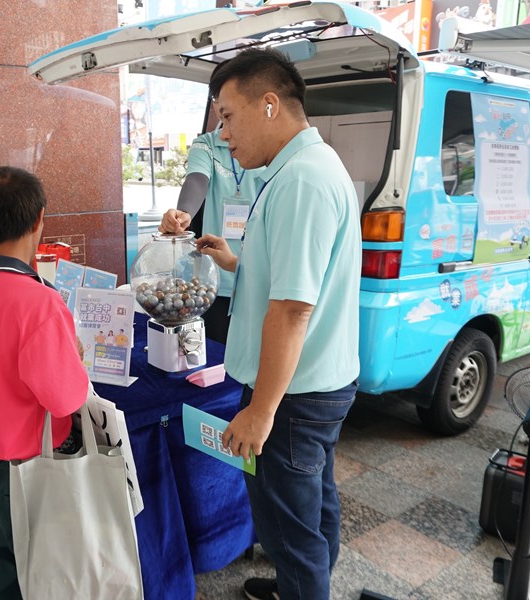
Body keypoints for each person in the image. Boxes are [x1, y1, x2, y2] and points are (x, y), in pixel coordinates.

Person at [196, 48, 361, 600]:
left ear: (269, 104)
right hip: (317, 381)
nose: (223, 135)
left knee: (288, 528)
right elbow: (294, 274)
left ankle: (302, 586)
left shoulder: (300, 181)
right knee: (314, 504)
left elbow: (293, 309)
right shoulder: (307, 166)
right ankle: (303, 585)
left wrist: (260, 412)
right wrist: (235, 262)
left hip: (291, 395)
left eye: (228, 116)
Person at [0, 166, 89, 600]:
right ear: (38, 219)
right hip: (34, 467)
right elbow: (66, 398)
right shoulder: (40, 302)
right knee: (44, 571)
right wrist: (74, 354)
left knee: (3, 563)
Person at [159, 105, 264, 345]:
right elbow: (197, 180)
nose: (225, 133)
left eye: (229, 115)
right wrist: (184, 213)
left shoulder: (268, 149)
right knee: (217, 352)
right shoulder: (207, 145)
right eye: (222, 116)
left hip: (258, 275)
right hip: (214, 280)